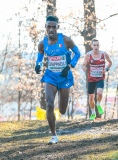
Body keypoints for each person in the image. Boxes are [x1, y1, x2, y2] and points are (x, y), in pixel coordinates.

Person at [35, 15, 81, 144]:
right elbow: (39, 56)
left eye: (53, 27)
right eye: (48, 26)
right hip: (50, 76)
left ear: (57, 27)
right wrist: (37, 64)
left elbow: (78, 53)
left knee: (62, 110)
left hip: (64, 76)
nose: (51, 29)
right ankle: (54, 135)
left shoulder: (66, 40)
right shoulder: (42, 43)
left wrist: (70, 65)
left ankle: (61, 109)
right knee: (49, 103)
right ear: (45, 27)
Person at [82, 39, 112, 120]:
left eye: (97, 45)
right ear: (91, 46)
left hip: (100, 78)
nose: (96, 47)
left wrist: (106, 70)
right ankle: (93, 113)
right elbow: (83, 65)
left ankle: (98, 104)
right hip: (91, 79)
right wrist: (84, 68)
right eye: (94, 45)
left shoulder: (104, 54)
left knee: (99, 92)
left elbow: (110, 62)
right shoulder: (88, 55)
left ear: (99, 46)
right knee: (91, 97)